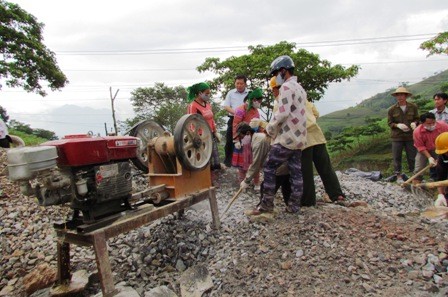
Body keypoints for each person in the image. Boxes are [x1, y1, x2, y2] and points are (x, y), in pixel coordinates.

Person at [268, 76, 345, 206]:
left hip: (301, 137)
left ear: (276, 89)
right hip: (316, 133)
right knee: (325, 167)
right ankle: (336, 194)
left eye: (273, 90)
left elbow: (279, 122)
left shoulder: (280, 101)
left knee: (305, 171)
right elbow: (316, 113)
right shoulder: (301, 96)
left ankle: (308, 201)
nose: (273, 93)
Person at [247, 55, 307, 216]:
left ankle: (266, 205)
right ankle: (294, 206)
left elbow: (282, 114)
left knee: (269, 167)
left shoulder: (286, 88)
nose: (275, 78)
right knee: (296, 171)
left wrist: (269, 129)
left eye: (275, 74)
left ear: (283, 71)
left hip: (286, 137)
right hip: (299, 138)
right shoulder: (300, 88)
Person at [186, 82, 223, 171]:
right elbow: (191, 122)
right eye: (206, 93)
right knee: (205, 159)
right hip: (200, 136)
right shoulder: (193, 106)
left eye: (209, 93)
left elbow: (211, 119)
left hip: (210, 134)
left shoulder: (208, 104)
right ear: (199, 93)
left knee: (215, 159)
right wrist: (195, 137)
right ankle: (207, 181)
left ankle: (215, 179)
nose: (208, 95)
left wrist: (215, 131)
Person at [231, 88, 263, 188]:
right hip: (242, 140)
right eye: (259, 101)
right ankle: (243, 183)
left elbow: (259, 124)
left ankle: (257, 182)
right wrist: (236, 139)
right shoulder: (240, 110)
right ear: (254, 100)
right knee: (242, 165)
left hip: (254, 140)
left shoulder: (256, 110)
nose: (260, 103)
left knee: (255, 162)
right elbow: (235, 124)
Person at [387, 86, 419, 183]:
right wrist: (397, 125)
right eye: (398, 95)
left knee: (412, 156)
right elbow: (390, 123)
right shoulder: (392, 109)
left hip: (410, 136)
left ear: (406, 96)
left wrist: (415, 123)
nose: (400, 97)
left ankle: (414, 175)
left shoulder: (413, 107)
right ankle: (398, 175)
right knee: (397, 156)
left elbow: (417, 118)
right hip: (397, 137)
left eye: (402, 95)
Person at [412, 112, 448, 184]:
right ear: (422, 123)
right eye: (429, 124)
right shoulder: (417, 132)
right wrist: (429, 157)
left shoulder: (443, 126)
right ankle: (416, 183)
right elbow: (420, 147)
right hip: (424, 150)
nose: (432, 125)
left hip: (441, 149)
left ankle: (440, 183)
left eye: (433, 123)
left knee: (441, 166)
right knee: (419, 167)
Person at [223, 75, 249, 167]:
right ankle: (228, 162)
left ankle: (244, 162)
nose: (239, 85)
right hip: (233, 118)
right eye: (237, 83)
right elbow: (226, 106)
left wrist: (243, 114)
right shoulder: (231, 93)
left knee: (245, 141)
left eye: (241, 83)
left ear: (245, 84)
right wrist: (237, 113)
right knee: (230, 140)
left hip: (246, 120)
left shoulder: (249, 93)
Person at [434, 132, 448, 206]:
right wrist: (440, 195)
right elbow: (440, 179)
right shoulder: (443, 158)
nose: (446, 154)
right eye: (445, 153)